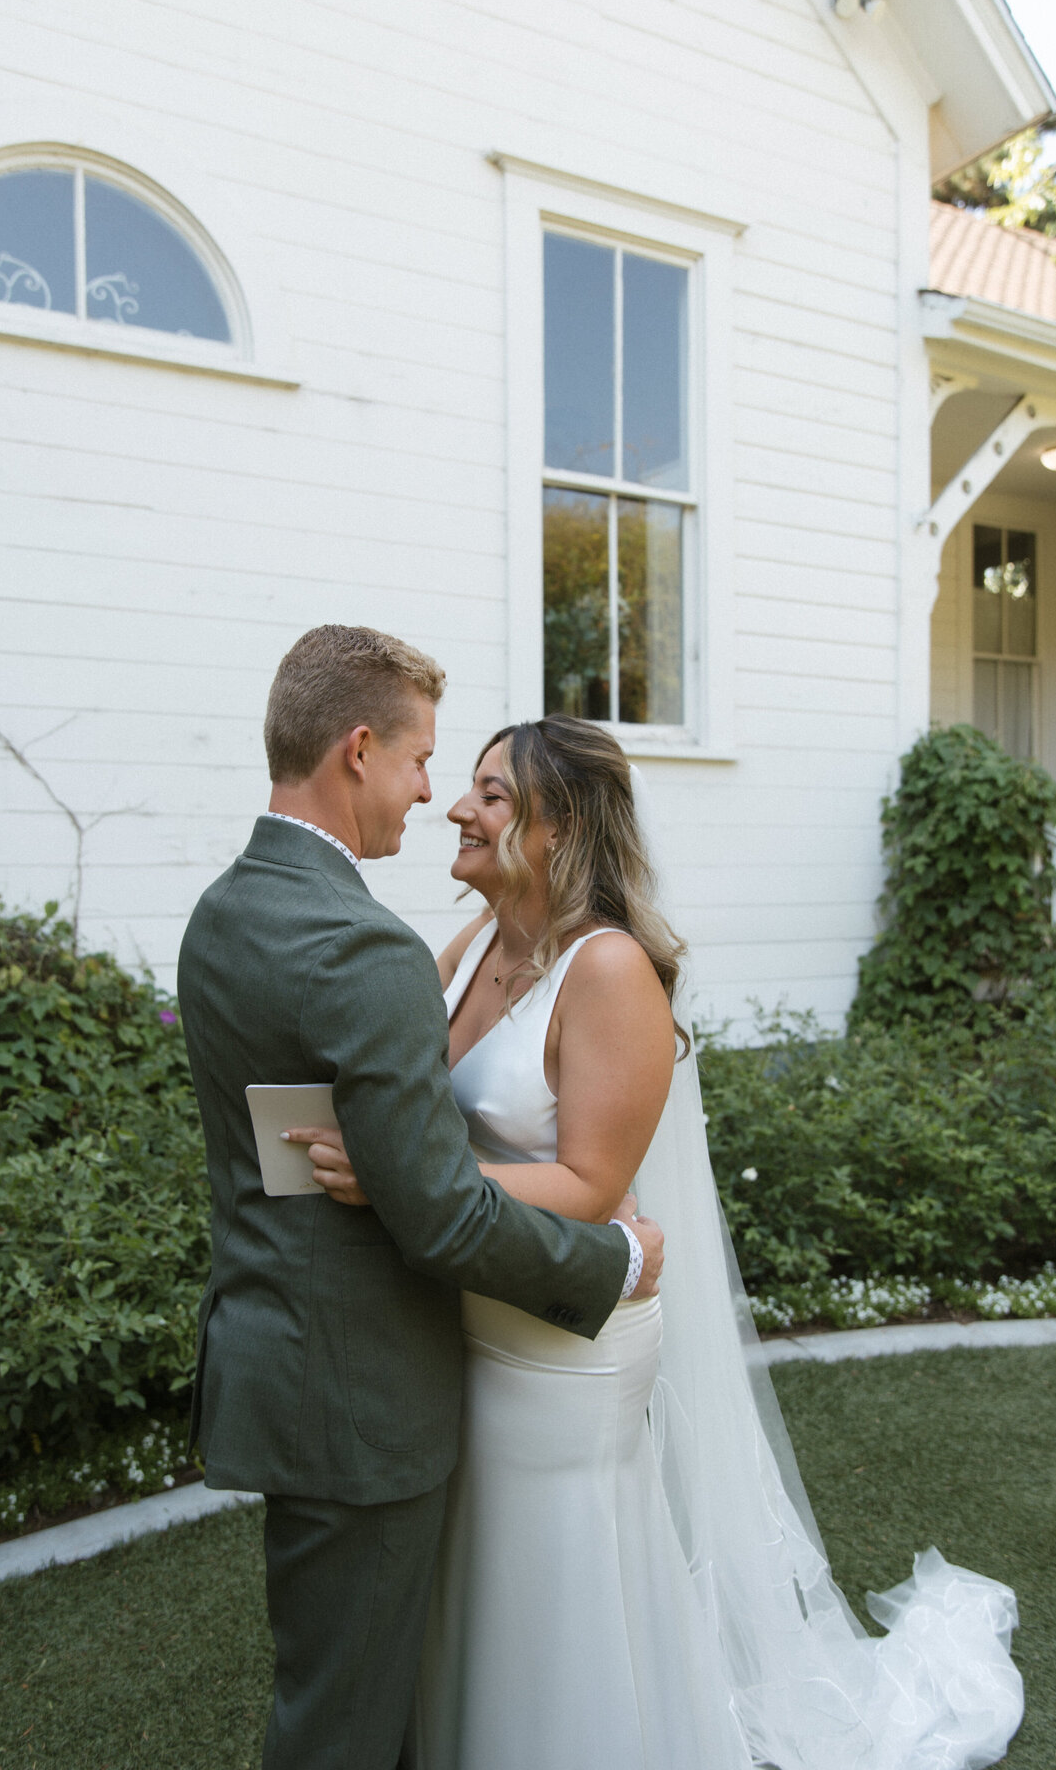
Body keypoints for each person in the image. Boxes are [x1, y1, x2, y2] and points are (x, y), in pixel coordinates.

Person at [304, 714, 1026, 1770]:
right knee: (479, 1574)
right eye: (465, 786)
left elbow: (594, 1187)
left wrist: (403, 1187)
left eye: (493, 795)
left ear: (562, 829)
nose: (459, 807)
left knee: (555, 1584)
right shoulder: (468, 949)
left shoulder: (606, 972)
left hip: (561, 1343)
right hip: (469, 1315)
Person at [175, 627, 664, 1770]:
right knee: (345, 1725)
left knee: (389, 1689)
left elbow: (319, 1149)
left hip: (304, 1357)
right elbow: (439, 1213)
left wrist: (388, 1168)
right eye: (423, 762)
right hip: (360, 1397)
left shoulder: (223, 914)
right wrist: (621, 1263)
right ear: (357, 752)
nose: (434, 794)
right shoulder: (371, 948)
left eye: (481, 786)